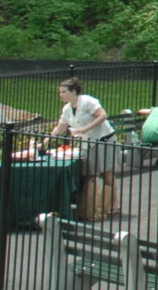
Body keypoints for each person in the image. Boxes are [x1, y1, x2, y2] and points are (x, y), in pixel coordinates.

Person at [51, 78, 119, 217]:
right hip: (87, 143)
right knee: (90, 173)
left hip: (104, 139)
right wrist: (46, 140)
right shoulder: (67, 108)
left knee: (106, 171)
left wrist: (85, 129)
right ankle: (93, 204)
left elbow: (103, 115)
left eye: (64, 92)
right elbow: (61, 126)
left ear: (74, 92)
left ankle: (113, 204)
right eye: (60, 92)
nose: (61, 95)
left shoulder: (88, 101)